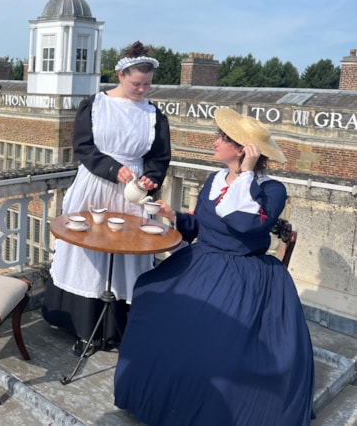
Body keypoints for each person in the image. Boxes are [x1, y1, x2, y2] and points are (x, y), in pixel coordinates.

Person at [114, 107, 315, 426]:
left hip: (243, 273)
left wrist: (246, 174)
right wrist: (174, 216)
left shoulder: (272, 190)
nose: (215, 141)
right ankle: (153, 397)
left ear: (243, 149)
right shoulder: (214, 180)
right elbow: (201, 226)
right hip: (202, 260)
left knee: (207, 337)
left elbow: (247, 225)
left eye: (223, 138)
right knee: (151, 295)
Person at [42, 41, 171, 356]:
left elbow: (160, 157)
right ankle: (84, 327)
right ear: (120, 75)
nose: (141, 90)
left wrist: (150, 179)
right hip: (96, 186)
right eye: (135, 83)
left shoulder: (154, 115)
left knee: (128, 253)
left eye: (146, 85)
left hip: (133, 193)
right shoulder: (95, 105)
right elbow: (84, 147)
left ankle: (117, 329)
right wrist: (114, 169)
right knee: (89, 251)